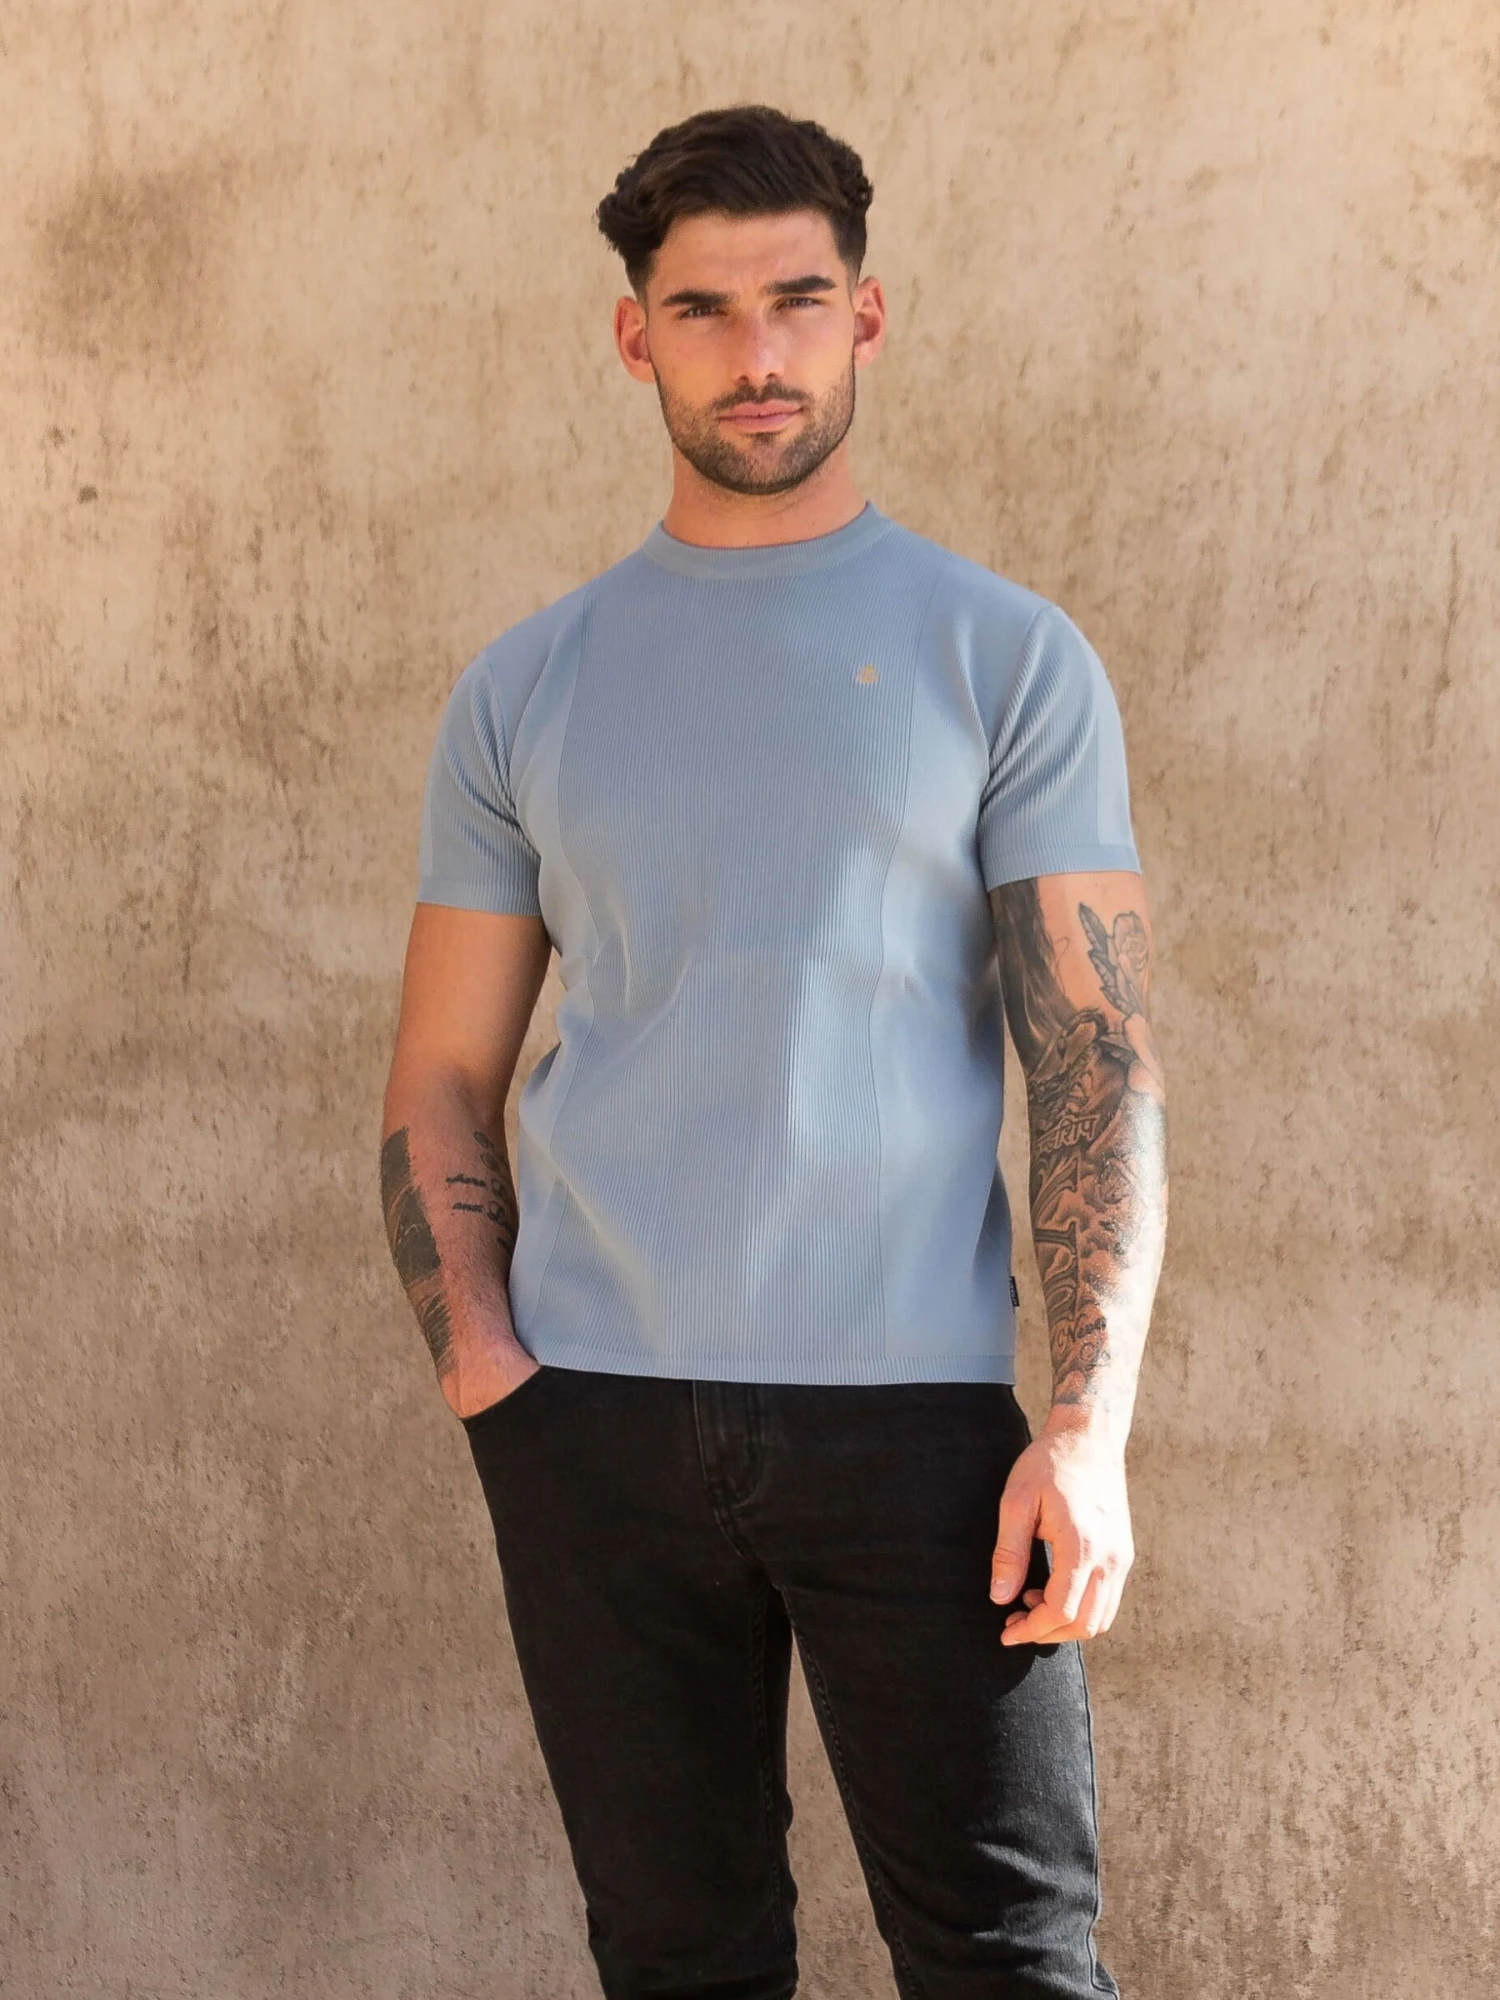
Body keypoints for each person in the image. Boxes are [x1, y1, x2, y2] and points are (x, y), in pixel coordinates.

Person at [380, 101, 1167, 2000]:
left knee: (1008, 1961)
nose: (758, 351)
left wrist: (1087, 1428)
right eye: (705, 308)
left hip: (916, 1428)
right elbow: (440, 1076)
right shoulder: (528, 686)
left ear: (866, 316)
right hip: (592, 1421)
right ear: (633, 335)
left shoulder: (1005, 655)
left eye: (798, 300)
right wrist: (492, 1373)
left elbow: (1096, 1059)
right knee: (676, 1958)